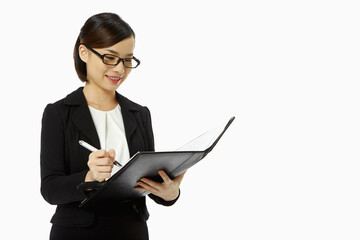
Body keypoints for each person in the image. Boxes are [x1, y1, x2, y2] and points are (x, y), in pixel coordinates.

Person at [40, 12, 186, 240]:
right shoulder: (58, 113)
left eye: (128, 59)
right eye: (110, 57)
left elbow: (148, 182)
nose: (120, 69)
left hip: (132, 230)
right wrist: (89, 176)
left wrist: (170, 193)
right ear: (84, 52)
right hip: (76, 233)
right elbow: (50, 189)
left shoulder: (140, 114)